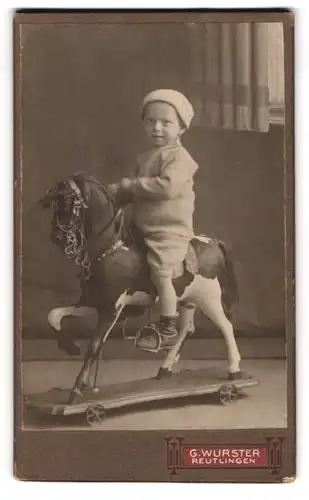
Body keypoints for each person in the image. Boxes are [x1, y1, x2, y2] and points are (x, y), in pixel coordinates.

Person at [109, 89, 198, 338]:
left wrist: (130, 185)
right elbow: (133, 191)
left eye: (166, 122)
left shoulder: (181, 158)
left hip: (167, 229)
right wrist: (114, 196)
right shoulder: (145, 157)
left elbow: (166, 187)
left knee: (161, 269)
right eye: (150, 121)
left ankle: (168, 323)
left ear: (181, 127)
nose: (157, 128)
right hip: (140, 226)